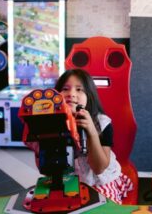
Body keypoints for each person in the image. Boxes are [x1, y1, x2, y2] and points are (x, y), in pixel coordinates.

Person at [28, 69, 133, 204]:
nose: (71, 94)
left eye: (79, 90)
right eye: (65, 89)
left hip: (99, 182)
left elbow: (99, 167)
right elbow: (45, 171)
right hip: (66, 181)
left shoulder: (102, 122)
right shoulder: (51, 124)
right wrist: (39, 145)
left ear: (89, 96)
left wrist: (92, 132)